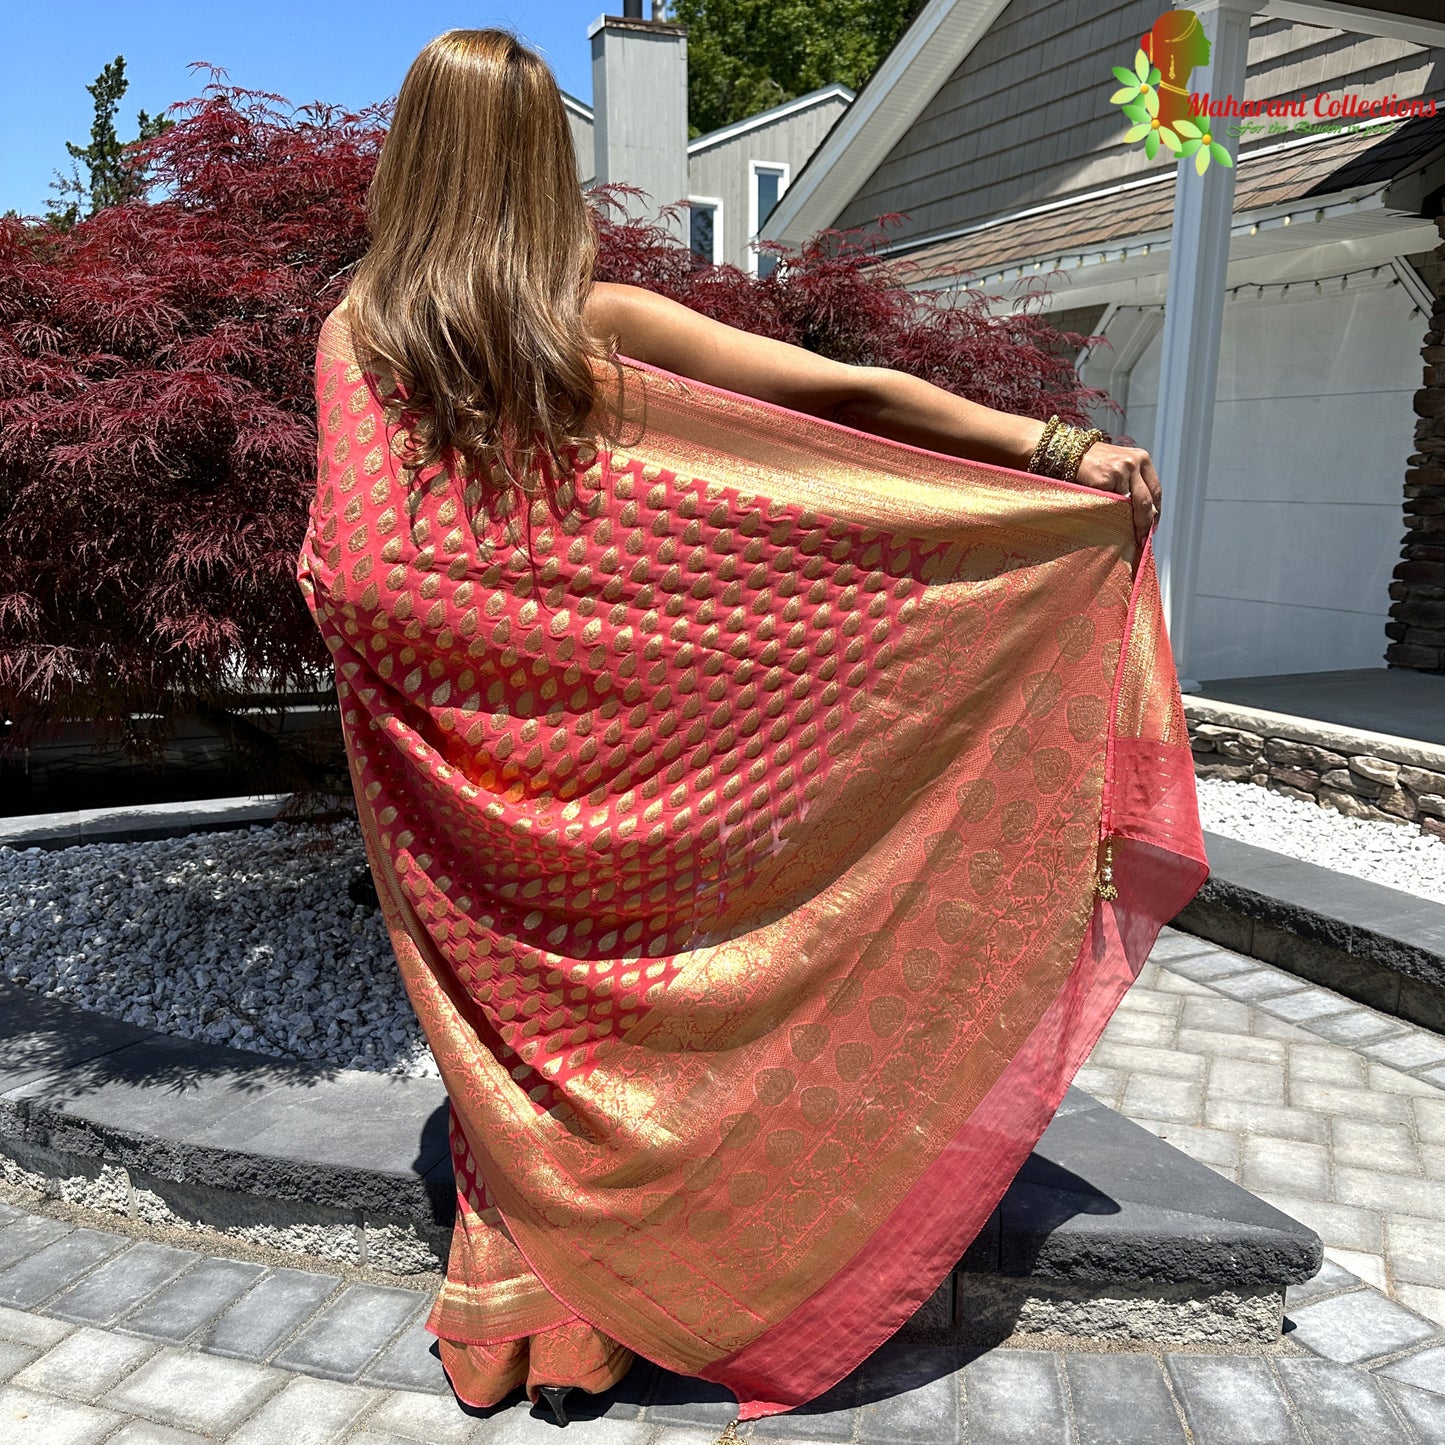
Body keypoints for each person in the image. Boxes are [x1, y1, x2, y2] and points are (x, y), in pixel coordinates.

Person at [299, 28, 1206, 1433]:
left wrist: (461, 668)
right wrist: (1048, 451)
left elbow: (354, 569)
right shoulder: (586, 321)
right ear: (548, 169)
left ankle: (542, 1342)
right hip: (621, 778)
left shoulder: (352, 335)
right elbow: (832, 397)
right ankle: (684, 1279)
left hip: (465, 787)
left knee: (513, 1055)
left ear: (409, 161)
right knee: (639, 1039)